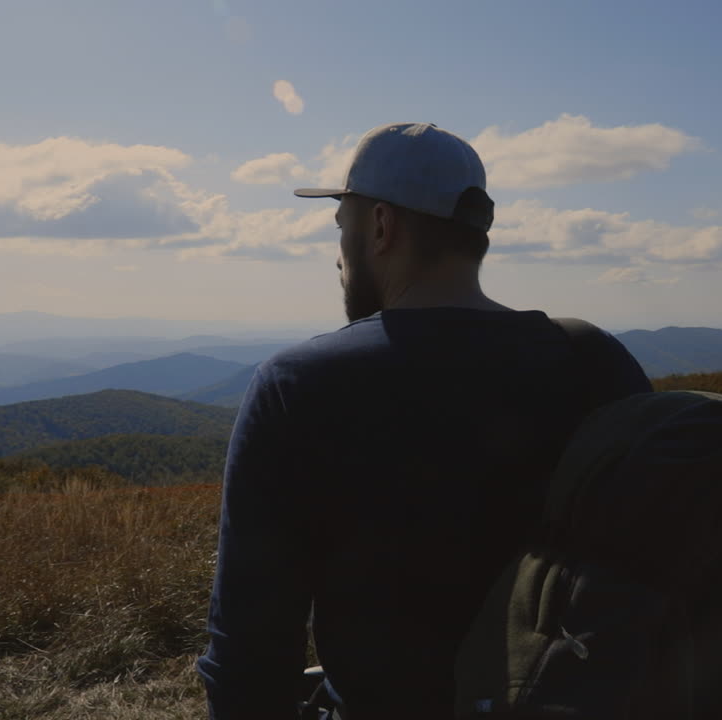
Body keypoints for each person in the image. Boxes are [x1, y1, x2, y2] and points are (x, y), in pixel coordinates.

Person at [196, 122, 651, 720]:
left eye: (342, 227)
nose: (338, 255)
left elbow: (249, 650)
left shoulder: (299, 387)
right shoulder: (595, 360)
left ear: (381, 227)